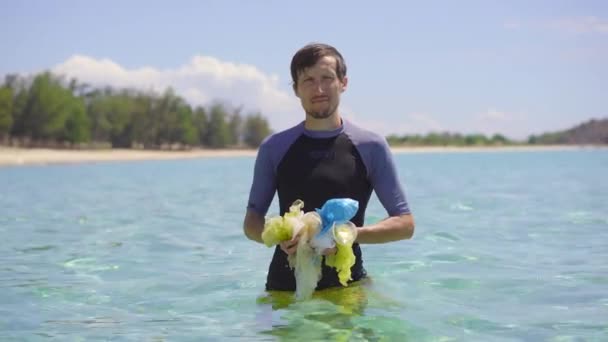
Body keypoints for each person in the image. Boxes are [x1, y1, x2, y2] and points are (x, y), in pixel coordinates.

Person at [243, 42, 415, 291]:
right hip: (284, 291)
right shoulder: (274, 147)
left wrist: (353, 234)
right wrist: (279, 238)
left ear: (343, 82)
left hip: (347, 288)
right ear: (296, 89)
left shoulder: (371, 146)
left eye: (327, 78)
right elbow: (251, 223)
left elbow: (405, 224)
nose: (319, 88)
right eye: (308, 81)